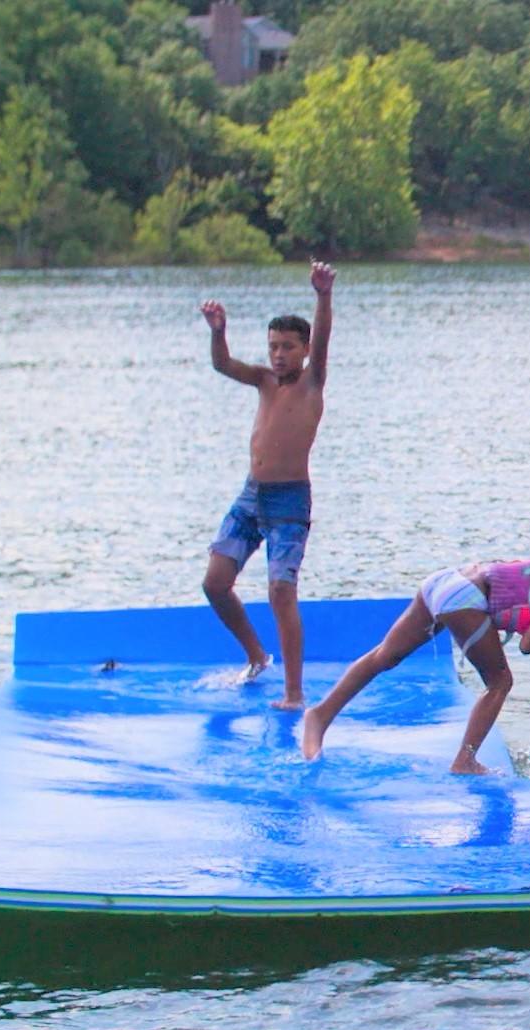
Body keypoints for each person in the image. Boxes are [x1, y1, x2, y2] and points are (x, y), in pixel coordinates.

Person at [300, 549, 530, 774]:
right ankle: (465, 760)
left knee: (385, 655)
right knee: (500, 683)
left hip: (443, 582)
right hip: (465, 597)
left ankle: (320, 715)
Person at [199, 261, 334, 710]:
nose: (278, 355)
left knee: (280, 591)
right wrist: (219, 329)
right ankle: (256, 655)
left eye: (288, 347)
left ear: (305, 350)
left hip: (289, 501)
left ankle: (294, 692)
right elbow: (222, 363)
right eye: (273, 347)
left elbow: (325, 337)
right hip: (251, 495)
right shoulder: (263, 380)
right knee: (216, 583)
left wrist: (322, 295)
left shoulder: (313, 382)